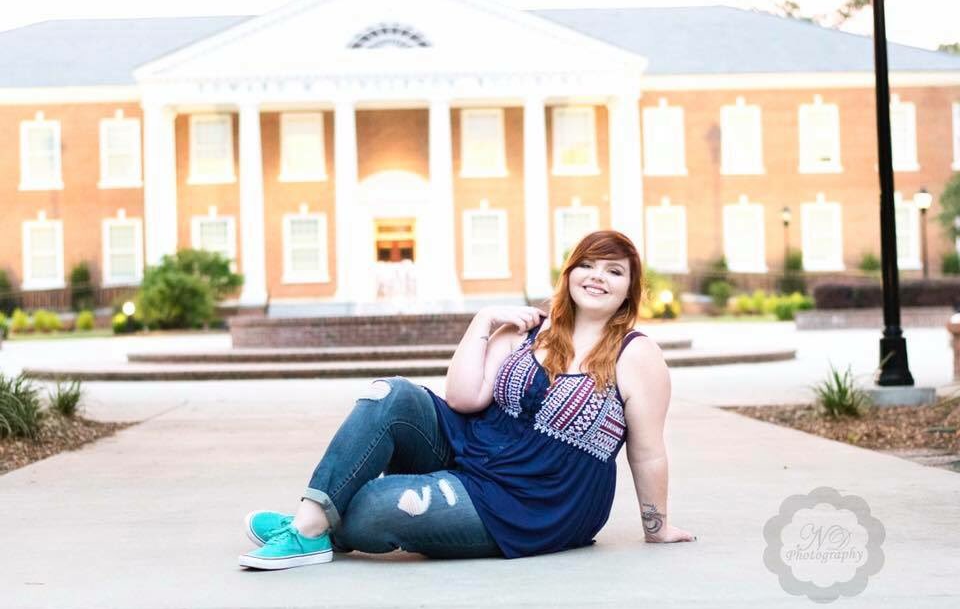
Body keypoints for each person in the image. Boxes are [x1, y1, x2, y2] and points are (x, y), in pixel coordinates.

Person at [238, 230, 696, 570]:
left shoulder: (636, 354)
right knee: (390, 392)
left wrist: (656, 527)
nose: (598, 277)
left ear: (627, 293)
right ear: (570, 273)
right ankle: (309, 525)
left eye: (614, 271)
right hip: (473, 451)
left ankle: (309, 526)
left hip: (537, 501)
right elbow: (462, 398)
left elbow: (648, 450)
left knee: (379, 504)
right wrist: (483, 321)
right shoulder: (527, 329)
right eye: (588, 265)